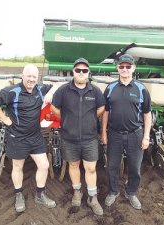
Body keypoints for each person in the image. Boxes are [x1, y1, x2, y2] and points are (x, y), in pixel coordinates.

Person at [0, 64, 57, 213]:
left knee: (44, 165)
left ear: (38, 78)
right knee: (18, 167)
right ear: (22, 76)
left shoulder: (40, 89)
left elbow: (55, 86)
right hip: (17, 136)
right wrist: (4, 119)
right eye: (29, 76)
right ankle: (19, 194)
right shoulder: (12, 91)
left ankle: (40, 194)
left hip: (35, 136)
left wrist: (50, 92)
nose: (31, 79)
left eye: (34, 77)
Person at [51, 58, 106, 215]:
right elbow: (55, 108)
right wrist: (68, 119)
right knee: (73, 165)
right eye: (78, 70)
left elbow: (101, 108)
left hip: (89, 138)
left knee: (91, 168)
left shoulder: (95, 91)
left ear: (88, 72)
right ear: (73, 71)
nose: (81, 73)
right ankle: (77, 191)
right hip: (69, 137)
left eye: (84, 70)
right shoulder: (63, 90)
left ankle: (92, 197)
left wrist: (87, 119)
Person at [101, 54, 152, 210]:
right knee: (112, 166)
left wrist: (146, 136)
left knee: (135, 167)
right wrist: (103, 133)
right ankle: (113, 191)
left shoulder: (141, 89)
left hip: (135, 134)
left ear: (133, 69)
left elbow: (147, 113)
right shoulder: (110, 88)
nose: (124, 69)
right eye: (121, 66)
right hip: (114, 134)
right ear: (117, 68)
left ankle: (131, 193)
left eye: (128, 67)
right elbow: (105, 112)